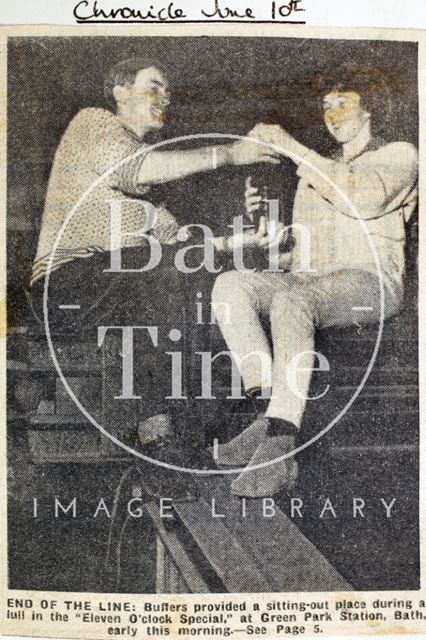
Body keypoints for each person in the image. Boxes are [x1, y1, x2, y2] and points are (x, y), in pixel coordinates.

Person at [29, 57, 282, 443]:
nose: (166, 96)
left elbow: (182, 242)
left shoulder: (150, 176)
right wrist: (229, 153)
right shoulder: (94, 123)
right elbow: (135, 170)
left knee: (202, 274)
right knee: (170, 273)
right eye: (154, 86)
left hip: (117, 283)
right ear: (120, 91)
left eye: (169, 90)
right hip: (66, 281)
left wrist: (248, 237)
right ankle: (172, 427)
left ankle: (240, 414)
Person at [211, 64, 418, 497]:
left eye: (344, 103)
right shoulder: (316, 171)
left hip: (372, 284)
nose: (332, 113)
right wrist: (269, 242)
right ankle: (268, 415)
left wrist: (288, 144)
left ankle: (281, 447)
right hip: (314, 283)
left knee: (294, 301)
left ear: (371, 110)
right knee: (232, 286)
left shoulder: (399, 154)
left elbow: (360, 198)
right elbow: (301, 256)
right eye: (326, 105)